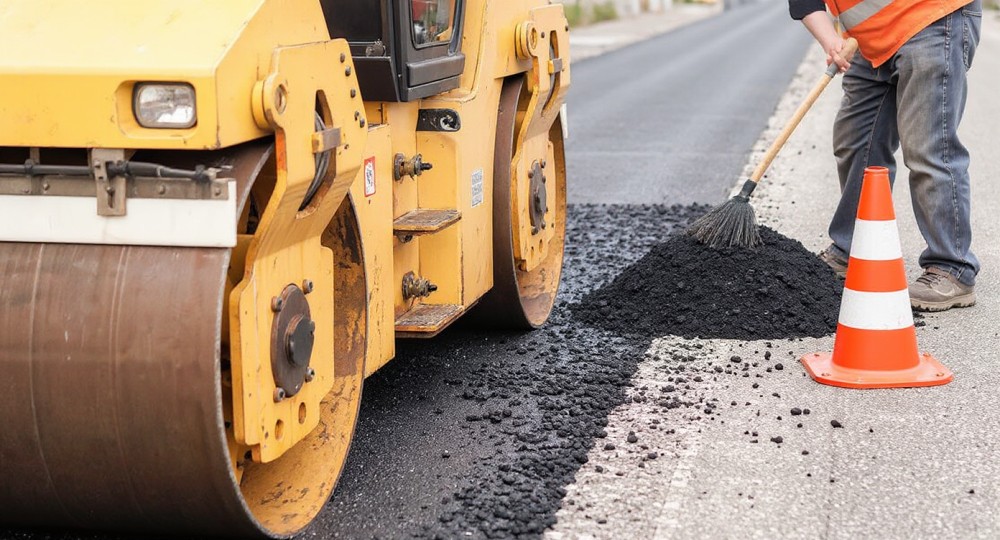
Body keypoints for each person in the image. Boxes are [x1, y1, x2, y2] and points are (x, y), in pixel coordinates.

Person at [788, 0, 983, 312]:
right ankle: (854, 247)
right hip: (867, 40)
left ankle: (952, 267)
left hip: (929, 19)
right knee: (856, 141)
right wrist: (831, 42)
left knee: (929, 147)